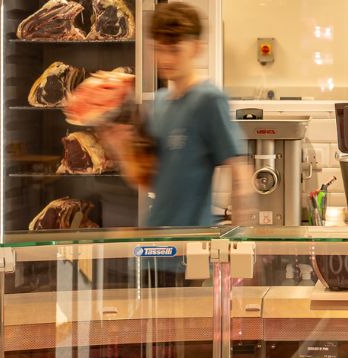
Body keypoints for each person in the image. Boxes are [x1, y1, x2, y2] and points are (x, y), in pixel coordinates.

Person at [104, 2, 254, 228]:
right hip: (155, 241)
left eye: (174, 50)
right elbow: (149, 180)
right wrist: (120, 148)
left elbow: (241, 173)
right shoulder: (159, 103)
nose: (165, 59)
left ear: (196, 48)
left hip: (191, 247)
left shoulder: (208, 100)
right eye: (159, 49)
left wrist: (239, 240)